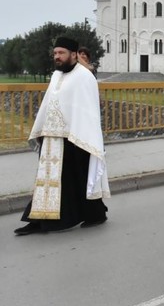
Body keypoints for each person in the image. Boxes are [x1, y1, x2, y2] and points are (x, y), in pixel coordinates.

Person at [15, 37, 109, 235]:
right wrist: (41, 130)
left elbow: (88, 109)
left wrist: (81, 133)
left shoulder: (84, 76)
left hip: (77, 137)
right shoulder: (56, 76)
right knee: (46, 180)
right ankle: (38, 220)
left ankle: (95, 214)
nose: (57, 57)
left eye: (61, 53)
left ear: (73, 54)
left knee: (78, 178)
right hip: (52, 137)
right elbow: (49, 104)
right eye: (55, 53)